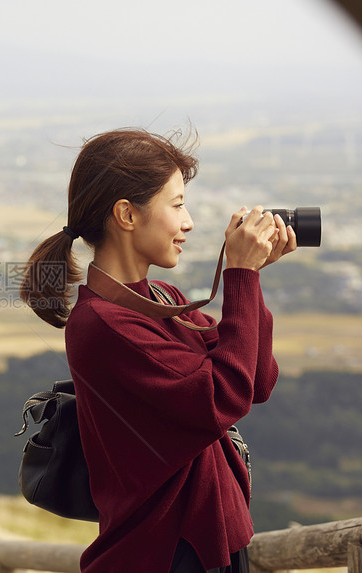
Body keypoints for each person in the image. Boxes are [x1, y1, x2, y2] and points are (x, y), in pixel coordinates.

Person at [19, 128, 297, 572]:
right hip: (164, 555)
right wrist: (239, 276)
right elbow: (223, 397)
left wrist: (253, 276)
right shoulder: (102, 325)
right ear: (127, 214)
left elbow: (256, 380)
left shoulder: (161, 298)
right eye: (178, 204)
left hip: (209, 547)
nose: (188, 222)